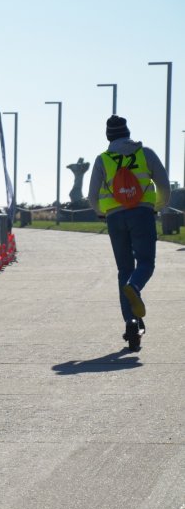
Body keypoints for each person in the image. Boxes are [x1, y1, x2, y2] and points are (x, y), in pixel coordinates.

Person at [87, 115, 170, 346]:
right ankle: (135, 286)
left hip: (115, 218)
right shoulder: (146, 153)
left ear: (108, 136)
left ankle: (131, 323)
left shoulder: (103, 159)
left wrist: (101, 212)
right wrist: (156, 207)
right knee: (145, 263)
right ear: (127, 133)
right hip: (142, 214)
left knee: (124, 269)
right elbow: (164, 185)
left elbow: (92, 195)